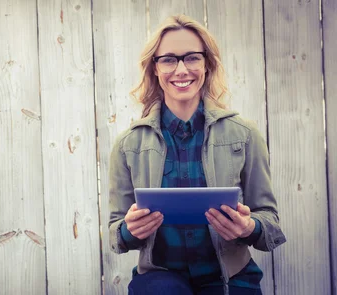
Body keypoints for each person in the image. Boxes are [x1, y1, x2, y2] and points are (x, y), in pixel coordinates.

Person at [108, 15, 286, 295]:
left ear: (207, 64)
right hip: (159, 278)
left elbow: (270, 222)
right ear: (154, 68)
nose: (181, 70)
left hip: (232, 278)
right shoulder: (128, 145)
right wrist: (130, 229)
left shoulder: (245, 134)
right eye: (168, 59)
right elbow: (115, 232)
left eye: (192, 57)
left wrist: (248, 227)